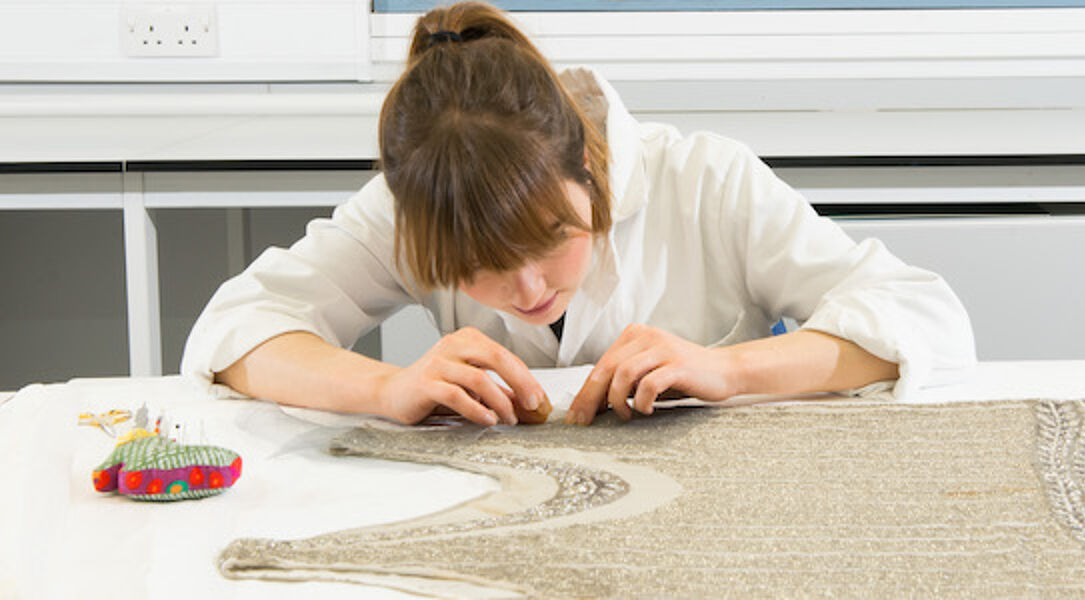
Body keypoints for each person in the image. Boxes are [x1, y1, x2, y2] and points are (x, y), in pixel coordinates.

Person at [181, 1, 976, 427]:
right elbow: (238, 329)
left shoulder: (704, 179)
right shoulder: (417, 204)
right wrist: (387, 389)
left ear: (589, 165)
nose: (528, 289)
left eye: (553, 238)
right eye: (478, 269)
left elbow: (927, 318)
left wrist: (728, 371)